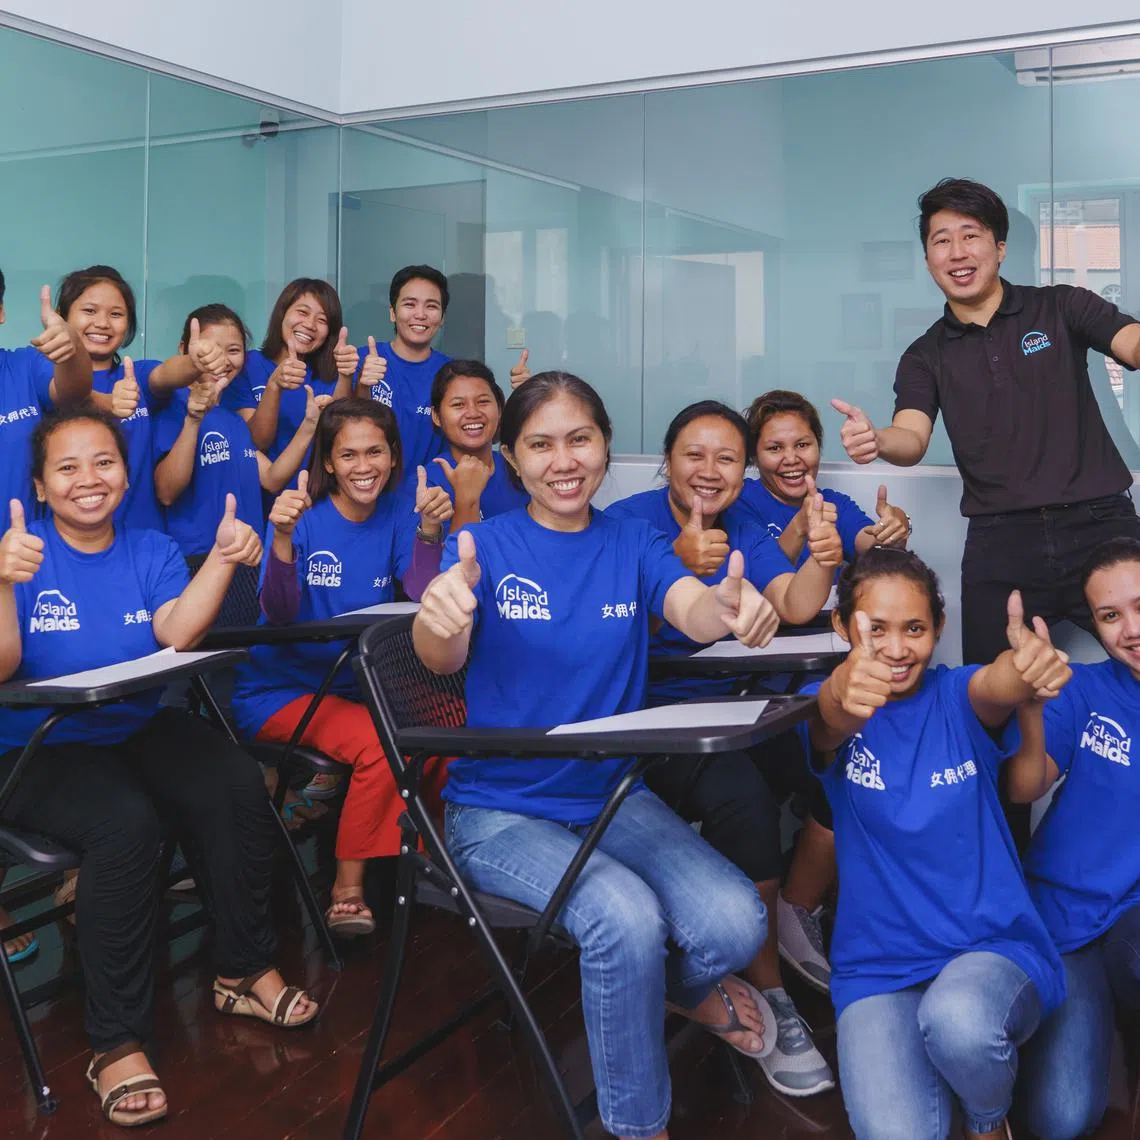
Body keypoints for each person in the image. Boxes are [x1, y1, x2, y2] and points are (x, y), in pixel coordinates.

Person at [416, 371, 784, 1140]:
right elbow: (441, 653)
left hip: (613, 798)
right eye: (541, 445)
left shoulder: (633, 540)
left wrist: (723, 608)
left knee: (737, 922)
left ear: (607, 446)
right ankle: (635, 1127)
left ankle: (660, 989)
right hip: (500, 813)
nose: (563, 460)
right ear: (513, 460)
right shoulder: (487, 544)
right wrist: (440, 617)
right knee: (626, 920)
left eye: (579, 439)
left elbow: (688, 604)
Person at [0, 406, 316, 1128]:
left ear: (126, 470)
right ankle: (115, 1041)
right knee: (126, 826)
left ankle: (241, 969)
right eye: (67, 467)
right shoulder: (18, 554)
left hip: (133, 725)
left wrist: (226, 560)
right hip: (33, 746)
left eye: (104, 461)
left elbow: (176, 632)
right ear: (42, 487)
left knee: (234, 780)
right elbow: (4, 667)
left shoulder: (149, 550)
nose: (89, 479)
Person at [606, 399, 839, 1098]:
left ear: (743, 471)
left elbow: (795, 605)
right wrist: (671, 563)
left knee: (829, 771)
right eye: (694, 455)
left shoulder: (743, 523)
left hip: (733, 706)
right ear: (666, 462)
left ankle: (788, 918)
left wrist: (822, 559)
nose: (711, 471)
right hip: (651, 719)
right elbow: (600, 622)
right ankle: (770, 990)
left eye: (727, 458)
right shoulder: (625, 527)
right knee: (745, 797)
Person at [800, 548, 1069, 1140]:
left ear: (938, 629)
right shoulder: (835, 713)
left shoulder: (958, 698)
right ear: (842, 626)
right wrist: (844, 683)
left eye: (915, 629)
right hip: (879, 969)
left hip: (989, 947)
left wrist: (1023, 666)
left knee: (958, 1021)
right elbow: (830, 715)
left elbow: (996, 682)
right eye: (876, 629)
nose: (897, 650)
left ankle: (987, 1120)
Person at [832, 178, 1140, 670]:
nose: (957, 251)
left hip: (1100, 524)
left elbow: (1131, 345)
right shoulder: (925, 355)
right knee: (989, 690)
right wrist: (877, 440)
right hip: (1001, 541)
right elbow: (910, 436)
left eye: (970, 235)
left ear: (999, 248)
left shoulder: (1063, 306)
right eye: (941, 240)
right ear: (929, 259)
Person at [230, 398, 448, 937]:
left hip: (357, 686)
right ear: (327, 462)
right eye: (347, 454)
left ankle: (426, 857)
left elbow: (421, 592)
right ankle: (347, 887)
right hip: (279, 693)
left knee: (446, 721)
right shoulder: (302, 517)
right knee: (381, 742)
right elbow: (278, 613)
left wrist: (426, 530)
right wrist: (280, 539)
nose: (363, 466)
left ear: (393, 456)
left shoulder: (400, 511)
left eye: (375, 451)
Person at [1006, 537, 1140, 1139]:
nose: (1130, 629)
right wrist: (1031, 708)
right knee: (1061, 1120)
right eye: (1111, 616)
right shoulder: (1084, 689)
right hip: (1066, 914)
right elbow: (1024, 787)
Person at [154, 304, 332, 622]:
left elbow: (272, 478)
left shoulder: (233, 420)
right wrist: (194, 420)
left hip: (248, 562)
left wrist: (309, 425)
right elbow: (166, 491)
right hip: (198, 562)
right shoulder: (172, 407)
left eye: (234, 350)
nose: (223, 359)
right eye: (212, 348)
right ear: (185, 349)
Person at [46, 265, 225, 533]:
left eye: (116, 314)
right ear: (62, 317)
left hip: (142, 540)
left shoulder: (136, 374)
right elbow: (68, 394)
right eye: (89, 311)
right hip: (71, 543)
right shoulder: (48, 380)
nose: (103, 323)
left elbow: (166, 374)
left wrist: (194, 362)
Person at [356, 265, 530, 471]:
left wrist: (523, 395)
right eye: (410, 304)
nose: (420, 314)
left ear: (443, 317)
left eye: (431, 306)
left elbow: (488, 434)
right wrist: (362, 386)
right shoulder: (362, 361)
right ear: (393, 312)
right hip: (368, 490)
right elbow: (338, 430)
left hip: (436, 495)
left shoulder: (453, 374)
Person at [743, 389, 910, 565]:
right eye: (775, 448)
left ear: (818, 447)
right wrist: (800, 526)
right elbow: (756, 576)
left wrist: (894, 529)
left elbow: (872, 548)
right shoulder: (741, 501)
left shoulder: (834, 504)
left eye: (802, 445)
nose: (791, 459)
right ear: (754, 456)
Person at [222, 278, 356, 465]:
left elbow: (339, 439)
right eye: (302, 312)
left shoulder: (330, 375)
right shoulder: (247, 365)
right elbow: (255, 443)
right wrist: (274, 386)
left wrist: (345, 376)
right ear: (282, 313)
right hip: (260, 490)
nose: (310, 325)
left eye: (322, 320)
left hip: (315, 490)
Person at [0, 271, 92, 517]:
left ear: (1, 312)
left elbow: (74, 394)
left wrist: (73, 347)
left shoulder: (26, 365)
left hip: (34, 550)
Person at [418, 359, 528, 534]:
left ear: (499, 410)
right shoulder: (427, 483)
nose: (473, 413)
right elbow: (446, 559)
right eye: (458, 405)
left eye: (483, 402)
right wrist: (466, 499)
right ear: (437, 416)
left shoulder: (518, 468)